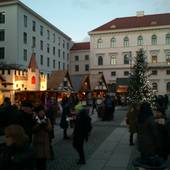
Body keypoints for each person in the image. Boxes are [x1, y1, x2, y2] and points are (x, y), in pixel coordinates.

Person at [32, 105, 52, 170]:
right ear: (38, 113)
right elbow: (33, 130)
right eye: (41, 112)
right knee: (38, 161)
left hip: (45, 142)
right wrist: (39, 125)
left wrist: (45, 125)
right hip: (38, 143)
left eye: (43, 111)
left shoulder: (47, 119)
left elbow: (50, 129)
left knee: (44, 161)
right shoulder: (35, 120)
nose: (42, 113)